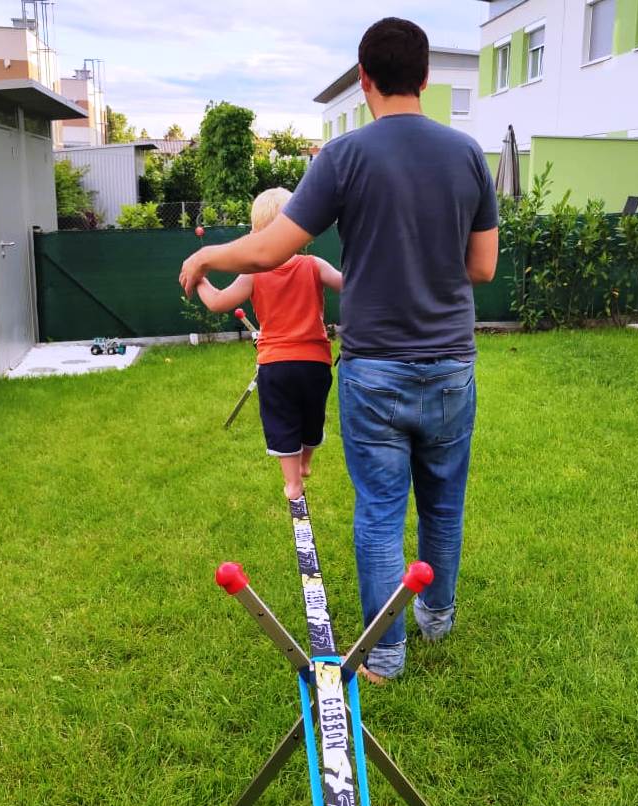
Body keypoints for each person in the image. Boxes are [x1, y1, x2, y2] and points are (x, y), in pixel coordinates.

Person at [180, 17, 498, 680]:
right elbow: (483, 267)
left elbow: (274, 248)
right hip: (449, 367)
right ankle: (436, 620)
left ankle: (385, 655)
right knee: (444, 500)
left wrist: (210, 250)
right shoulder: (468, 154)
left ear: (364, 77)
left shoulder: (344, 156)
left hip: (375, 369)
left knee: (380, 510)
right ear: (427, 77)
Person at [193, 187, 342, 500]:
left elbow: (219, 303)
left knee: (282, 421)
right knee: (312, 417)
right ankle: (306, 463)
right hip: (315, 363)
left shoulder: (253, 274)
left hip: (275, 365)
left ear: (256, 234)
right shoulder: (314, 265)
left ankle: (292, 483)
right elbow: (348, 285)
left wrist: (200, 280)